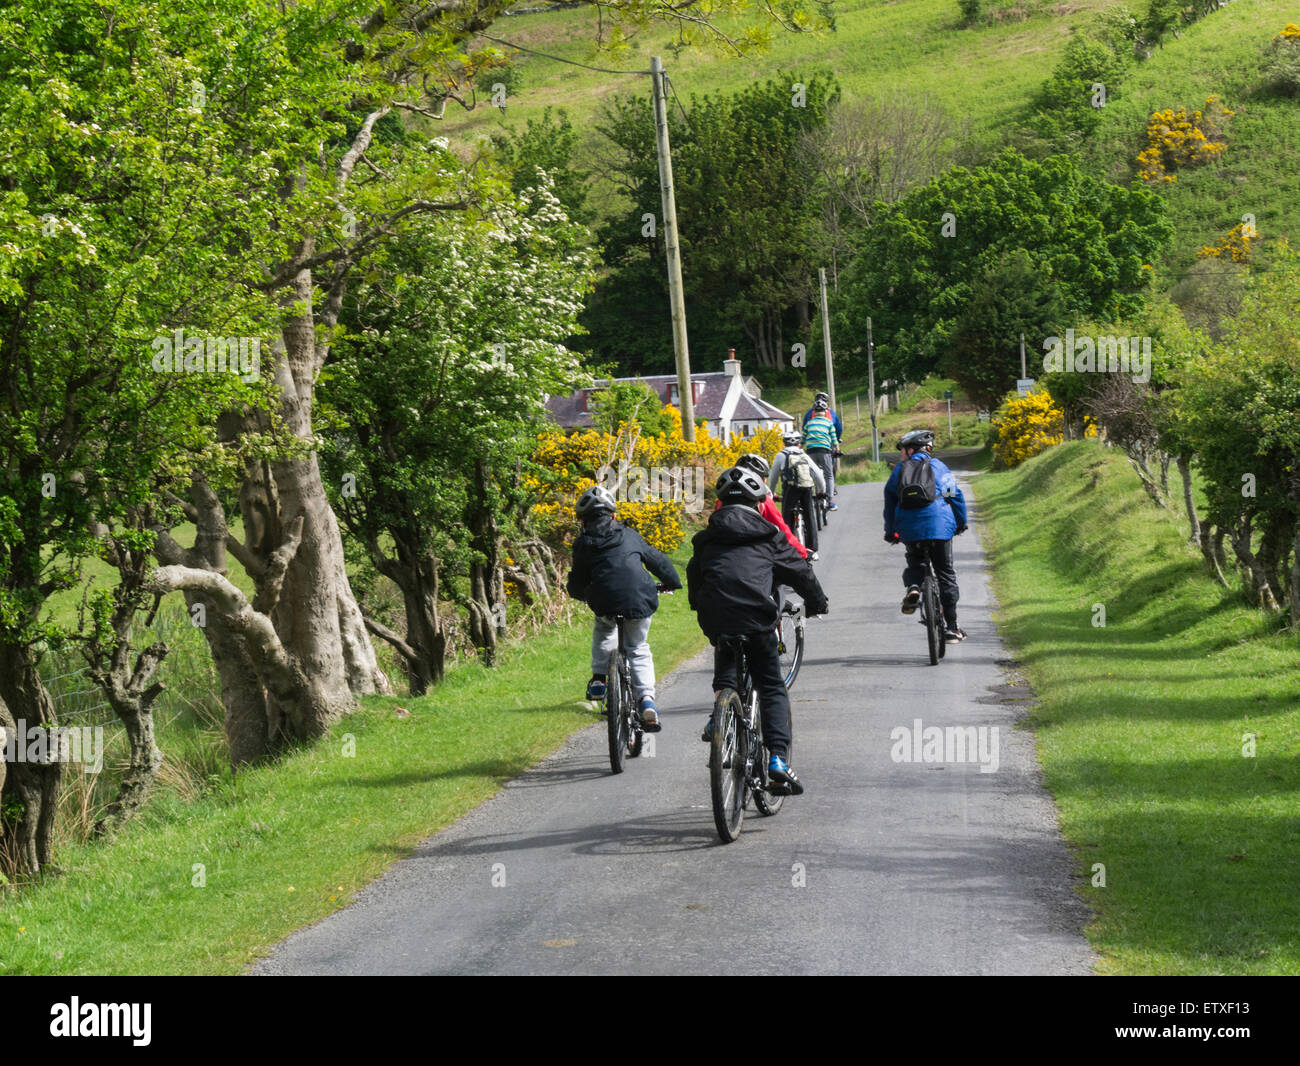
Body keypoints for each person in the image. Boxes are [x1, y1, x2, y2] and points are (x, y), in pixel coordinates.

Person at [688, 467, 829, 794]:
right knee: (770, 684)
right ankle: (778, 759)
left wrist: (699, 604)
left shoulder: (705, 538)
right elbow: (800, 573)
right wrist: (818, 602)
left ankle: (719, 715)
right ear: (758, 503)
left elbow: (695, 577)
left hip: (717, 617)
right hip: (757, 619)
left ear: (721, 504)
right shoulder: (769, 536)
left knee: (725, 649)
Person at [568, 485, 682, 730]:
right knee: (638, 648)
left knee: (604, 629)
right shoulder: (629, 535)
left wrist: (579, 594)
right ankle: (646, 702)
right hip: (639, 597)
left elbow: (577, 580)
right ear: (613, 515)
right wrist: (672, 582)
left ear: (582, 521)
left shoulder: (583, 543)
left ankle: (599, 678)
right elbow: (657, 560)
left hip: (604, 601)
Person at [882, 429, 968, 642]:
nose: (901, 455)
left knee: (915, 562)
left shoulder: (900, 470)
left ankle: (913, 587)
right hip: (940, 525)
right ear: (928, 449)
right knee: (945, 573)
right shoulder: (938, 467)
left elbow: (890, 500)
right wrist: (961, 522)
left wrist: (891, 530)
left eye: (903, 451)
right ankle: (952, 628)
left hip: (910, 528)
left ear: (911, 450)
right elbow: (953, 496)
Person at [713, 452, 808, 560]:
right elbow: (783, 531)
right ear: (761, 480)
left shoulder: (721, 501)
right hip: (756, 556)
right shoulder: (764, 501)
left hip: (722, 556)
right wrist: (802, 553)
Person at [768, 430, 825, 557]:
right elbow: (818, 475)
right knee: (809, 516)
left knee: (786, 518)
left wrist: (771, 494)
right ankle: (813, 549)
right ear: (799, 443)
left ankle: (788, 548)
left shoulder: (781, 456)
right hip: (807, 488)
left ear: (784, 443)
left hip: (791, 489)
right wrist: (821, 491)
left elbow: (773, 477)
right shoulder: (804, 455)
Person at [801, 392, 843, 509]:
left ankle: (811, 498)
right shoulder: (831, 417)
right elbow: (837, 432)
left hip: (810, 450)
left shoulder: (809, 419)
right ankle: (829, 499)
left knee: (810, 475)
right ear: (826, 406)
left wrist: (800, 447)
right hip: (825, 449)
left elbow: (803, 435)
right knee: (829, 474)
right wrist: (837, 446)